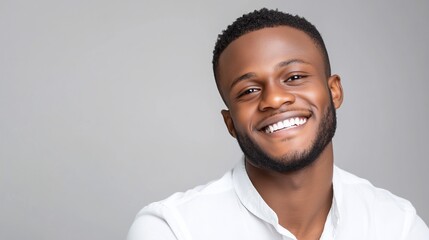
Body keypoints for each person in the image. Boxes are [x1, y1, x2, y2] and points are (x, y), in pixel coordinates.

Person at [127, 8, 429, 240]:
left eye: (295, 77)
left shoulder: (396, 225)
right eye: (248, 91)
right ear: (230, 123)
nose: (274, 99)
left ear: (333, 91)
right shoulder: (174, 230)